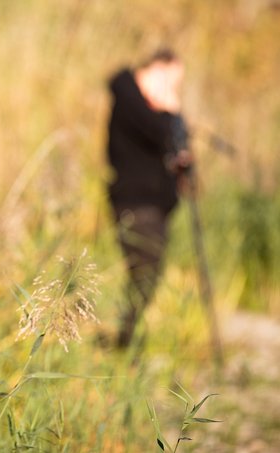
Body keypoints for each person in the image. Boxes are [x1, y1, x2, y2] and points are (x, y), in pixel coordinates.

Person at [106, 49, 191, 348]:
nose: (172, 91)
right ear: (156, 69)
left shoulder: (149, 107)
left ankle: (126, 343)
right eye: (170, 81)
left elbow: (178, 146)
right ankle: (124, 346)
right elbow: (160, 133)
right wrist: (170, 110)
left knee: (147, 277)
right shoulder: (129, 97)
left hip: (156, 207)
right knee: (142, 276)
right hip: (136, 204)